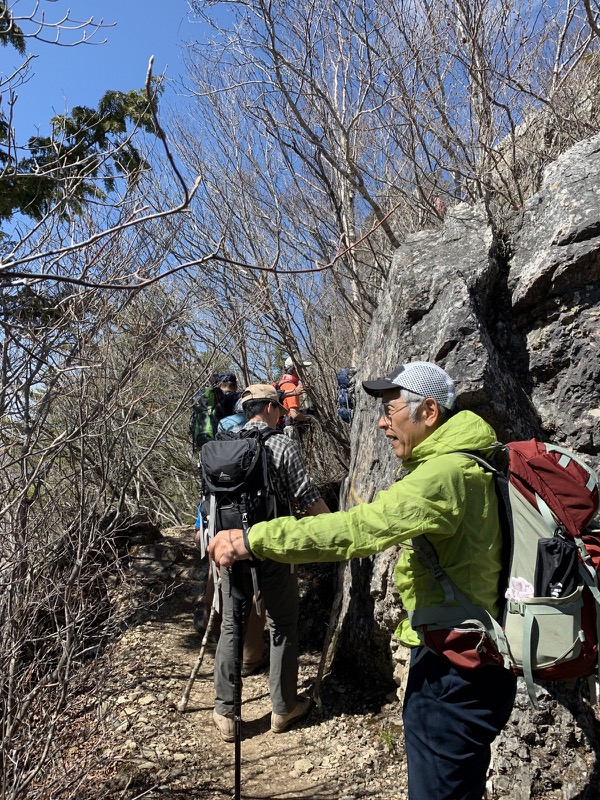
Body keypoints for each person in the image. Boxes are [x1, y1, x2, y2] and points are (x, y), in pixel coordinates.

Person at [208, 361, 517, 800]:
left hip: (455, 667)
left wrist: (254, 538)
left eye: (391, 410)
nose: (382, 422)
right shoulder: (478, 458)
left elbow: (355, 531)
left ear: (429, 412)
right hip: (478, 653)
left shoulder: (443, 477)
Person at [201, 383, 330, 743]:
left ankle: (225, 712)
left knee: (232, 625)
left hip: (229, 549)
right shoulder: (281, 445)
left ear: (246, 409)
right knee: (283, 624)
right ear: (272, 408)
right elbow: (306, 499)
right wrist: (336, 528)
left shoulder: (223, 448)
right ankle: (283, 706)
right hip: (272, 549)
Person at [277, 356, 314, 435]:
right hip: (288, 428)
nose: (305, 371)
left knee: (309, 410)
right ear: (294, 369)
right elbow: (294, 415)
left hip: (280, 426)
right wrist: (310, 419)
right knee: (312, 413)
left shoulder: (282, 383)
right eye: (302, 368)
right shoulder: (292, 387)